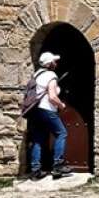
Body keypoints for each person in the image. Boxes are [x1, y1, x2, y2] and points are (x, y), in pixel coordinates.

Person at [28, 51, 71, 180]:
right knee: (61, 133)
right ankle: (58, 165)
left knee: (37, 139)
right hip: (47, 109)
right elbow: (52, 96)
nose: (56, 63)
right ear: (49, 63)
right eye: (54, 61)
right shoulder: (51, 75)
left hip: (36, 111)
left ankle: (35, 170)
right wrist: (61, 105)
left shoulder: (36, 74)